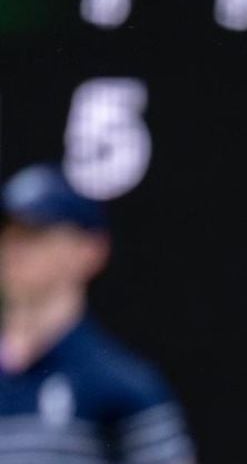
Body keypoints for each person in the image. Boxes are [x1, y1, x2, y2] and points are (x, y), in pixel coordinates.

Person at [0, 163, 196, 464]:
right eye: (7, 233)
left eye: (35, 233)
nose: (13, 249)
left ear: (91, 250)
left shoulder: (124, 387)